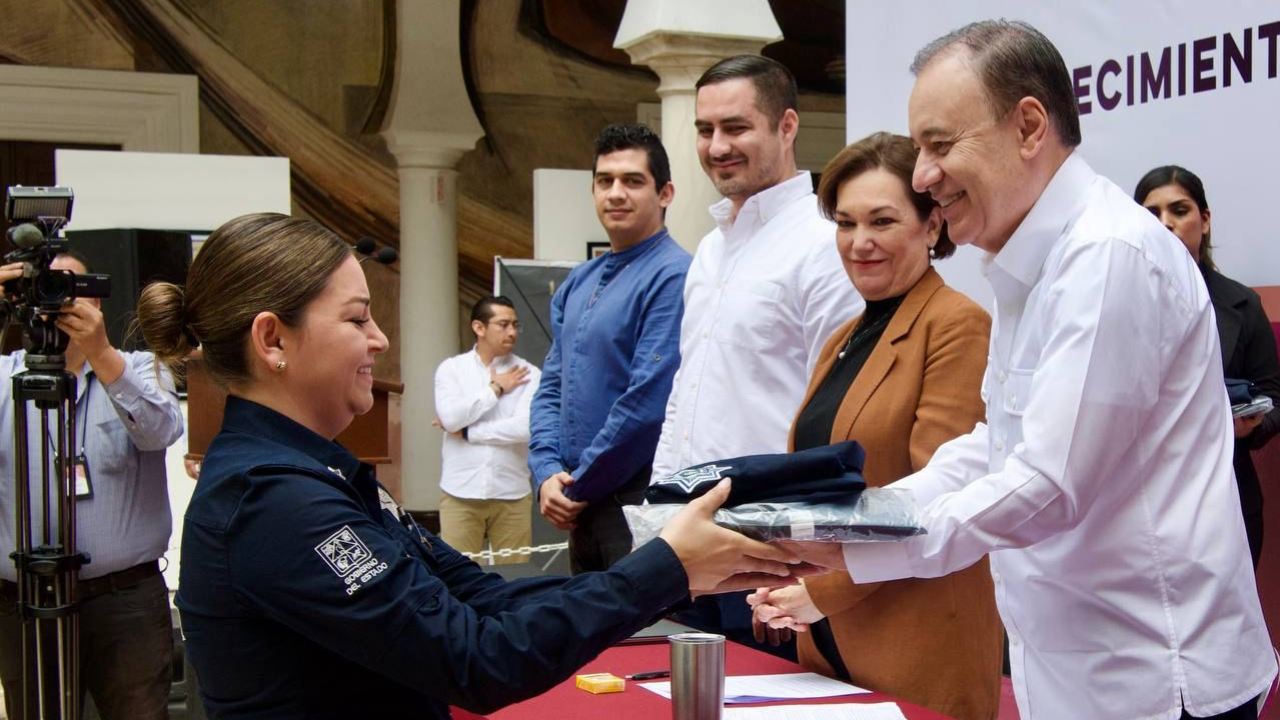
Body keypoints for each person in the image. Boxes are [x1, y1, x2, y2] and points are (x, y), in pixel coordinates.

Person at [768, 21, 1275, 720]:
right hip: (1081, 672)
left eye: (941, 146)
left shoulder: (1105, 256)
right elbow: (992, 449)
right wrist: (858, 522)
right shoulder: (1029, 266)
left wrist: (862, 552)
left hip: (1154, 678)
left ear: (1029, 126)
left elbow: (1045, 484)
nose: (923, 176)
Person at [135, 212, 801, 719]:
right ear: (273, 338)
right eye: (357, 319)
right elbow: (475, 658)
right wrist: (666, 569)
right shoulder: (273, 502)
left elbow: (482, 598)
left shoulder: (315, 472)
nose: (380, 340)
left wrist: (667, 573)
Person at [749, 132, 1001, 720]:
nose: (859, 243)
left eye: (882, 221)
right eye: (845, 222)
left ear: (932, 226)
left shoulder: (957, 324)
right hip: (827, 639)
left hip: (917, 636)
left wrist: (820, 589)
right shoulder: (844, 337)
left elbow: (939, 495)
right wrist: (785, 569)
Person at [650, 54, 863, 653]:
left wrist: (809, 551)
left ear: (787, 127)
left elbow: (841, 416)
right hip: (689, 539)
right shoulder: (711, 252)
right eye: (705, 129)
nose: (717, 146)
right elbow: (686, 394)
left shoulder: (824, 246)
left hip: (774, 553)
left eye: (736, 127)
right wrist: (659, 505)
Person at [0, 253, 184, 720]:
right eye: (38, 292)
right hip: (24, 599)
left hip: (125, 601)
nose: (53, 303)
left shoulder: (140, 369)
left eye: (67, 288)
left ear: (96, 298)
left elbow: (160, 431)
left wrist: (102, 354)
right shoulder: (5, 376)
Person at [528, 123, 690, 573]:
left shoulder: (674, 276)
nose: (615, 193)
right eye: (605, 181)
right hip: (579, 503)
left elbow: (646, 404)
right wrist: (545, 473)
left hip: (634, 501)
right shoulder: (578, 281)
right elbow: (551, 387)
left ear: (665, 193)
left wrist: (577, 487)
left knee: (641, 640)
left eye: (632, 181)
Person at [1135, 165, 1280, 568]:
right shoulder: (1114, 306)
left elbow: (1275, 398)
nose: (1165, 224)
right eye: (1150, 214)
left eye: (1179, 210)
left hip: (1225, 498)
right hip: (1139, 505)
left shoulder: (1240, 304)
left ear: (1206, 220)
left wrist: (1249, 426)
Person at [433, 295, 540, 564]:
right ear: (479, 328)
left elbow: (525, 428)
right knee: (457, 579)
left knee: (515, 581)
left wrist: (468, 432)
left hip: (512, 493)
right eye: (503, 324)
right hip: (460, 492)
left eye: (516, 324)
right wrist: (496, 388)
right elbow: (451, 417)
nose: (512, 331)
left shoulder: (530, 373)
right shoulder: (452, 370)